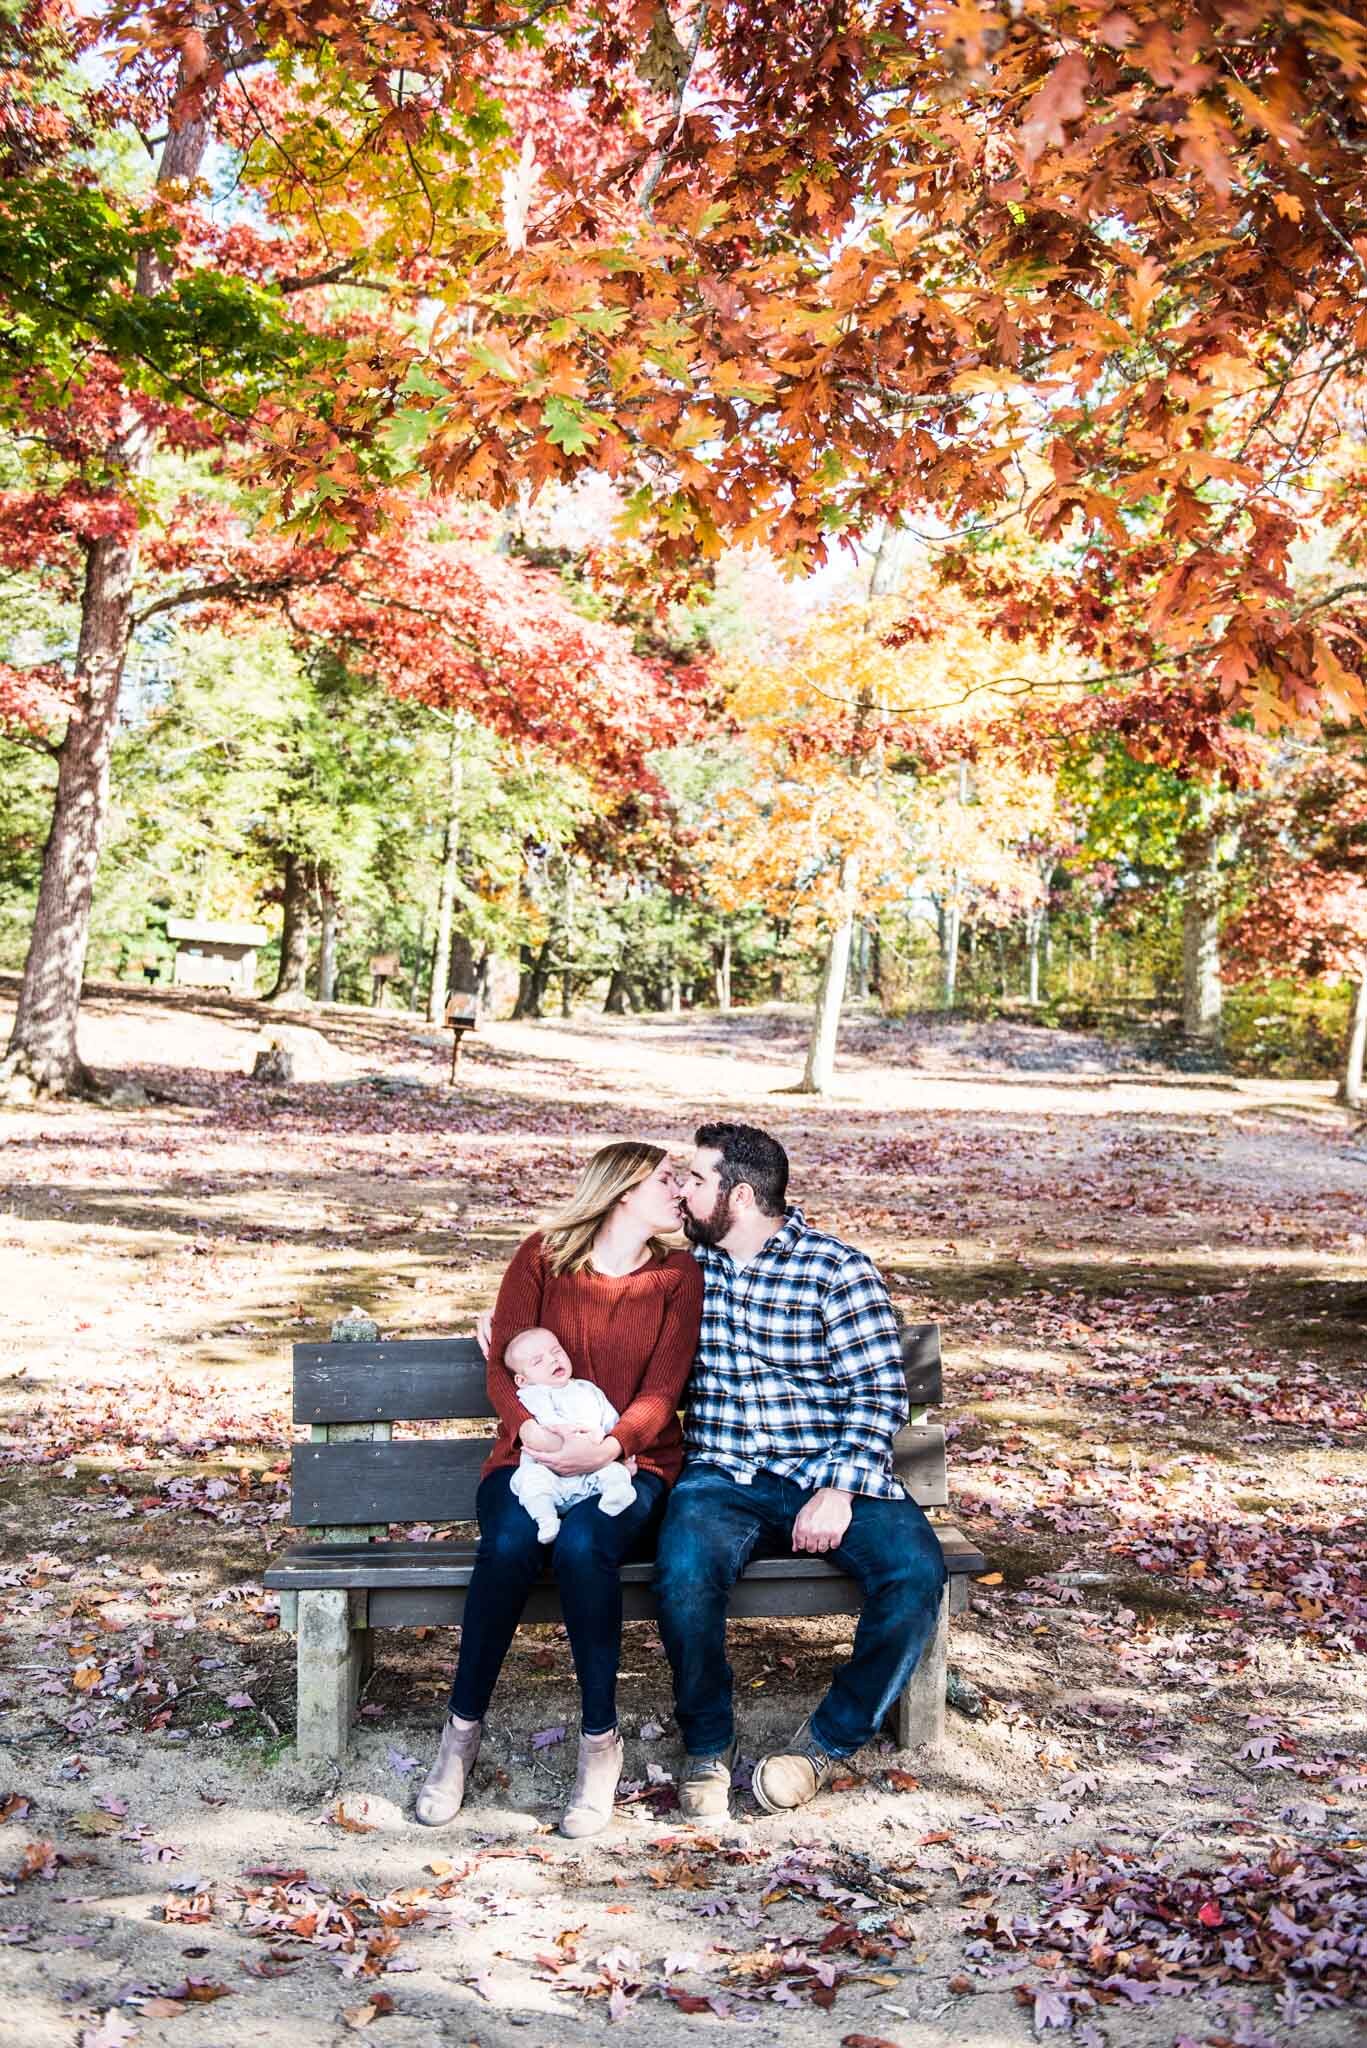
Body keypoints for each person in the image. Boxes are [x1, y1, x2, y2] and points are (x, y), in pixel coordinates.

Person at [656, 1120, 946, 1819]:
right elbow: (588, 1289)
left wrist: (839, 1489)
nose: (680, 1191)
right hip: (723, 1474)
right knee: (684, 1572)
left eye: (694, 1180)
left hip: (828, 1470)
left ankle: (822, 1745)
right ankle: (706, 1743)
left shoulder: (833, 1269)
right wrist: (514, 1331)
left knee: (914, 1572)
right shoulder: (683, 1274)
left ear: (742, 1196)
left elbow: (878, 1392)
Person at [415, 1141, 702, 1839]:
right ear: (622, 1190)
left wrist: (609, 1444)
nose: (682, 1192)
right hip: (531, 1459)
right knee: (510, 1541)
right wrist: (532, 1435)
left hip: (631, 1466)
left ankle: (599, 1744)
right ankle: (459, 1736)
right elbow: (502, 1364)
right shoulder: (541, 1256)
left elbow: (665, 1388)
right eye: (669, 1179)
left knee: (582, 1549)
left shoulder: (678, 1273)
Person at [504, 1326, 637, 1541]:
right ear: (522, 1380)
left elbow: (610, 1420)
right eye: (538, 1361)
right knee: (530, 1481)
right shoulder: (533, 1394)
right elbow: (547, 1421)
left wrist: (620, 1454)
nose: (552, 1361)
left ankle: (616, 1495)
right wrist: (570, 1434)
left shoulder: (587, 1389)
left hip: (593, 1469)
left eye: (556, 1352)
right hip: (550, 1471)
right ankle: (546, 1519)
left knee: (614, 1472)